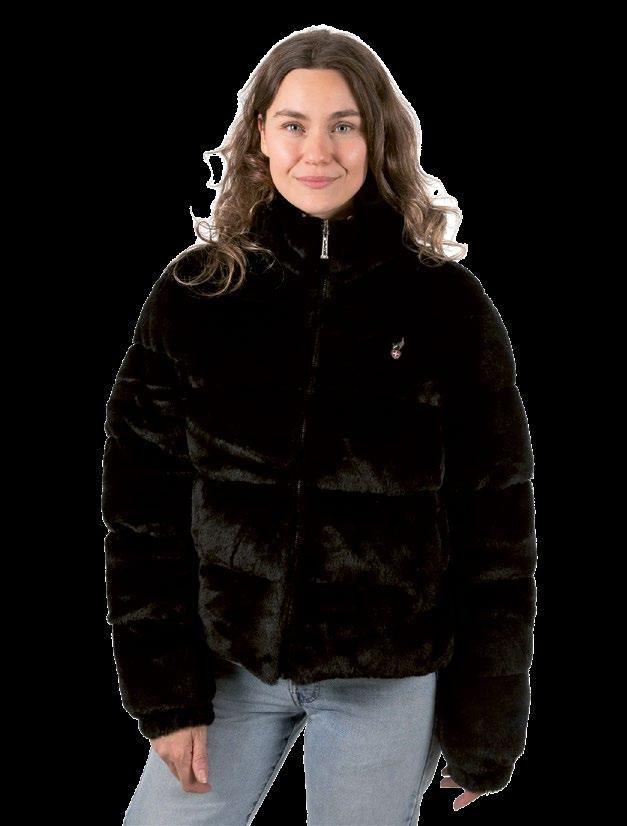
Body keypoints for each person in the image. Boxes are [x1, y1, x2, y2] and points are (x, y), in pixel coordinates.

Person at [102, 25, 537, 825]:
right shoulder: (195, 296)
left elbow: (495, 531)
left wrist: (486, 722)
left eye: (344, 125)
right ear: (260, 138)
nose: (318, 151)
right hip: (229, 666)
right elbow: (141, 515)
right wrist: (165, 695)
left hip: (388, 676)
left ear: (378, 139)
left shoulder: (448, 307)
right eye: (294, 124)